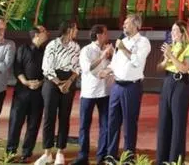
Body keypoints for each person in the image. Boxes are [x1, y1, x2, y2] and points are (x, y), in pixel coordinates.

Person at [106, 12, 152, 163]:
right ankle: (111, 155)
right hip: (116, 86)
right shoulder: (122, 41)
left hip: (131, 87)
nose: (124, 25)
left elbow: (137, 62)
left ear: (136, 25)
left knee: (129, 123)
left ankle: (128, 157)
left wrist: (124, 48)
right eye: (124, 23)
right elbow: (115, 63)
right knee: (112, 122)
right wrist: (106, 70)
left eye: (127, 23)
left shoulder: (143, 42)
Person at [36, 20, 81, 165]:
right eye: (75, 29)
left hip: (68, 82)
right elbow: (47, 67)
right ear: (69, 29)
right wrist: (58, 83)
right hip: (51, 81)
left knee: (64, 117)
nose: (77, 31)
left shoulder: (75, 47)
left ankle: (60, 151)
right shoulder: (52, 45)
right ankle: (47, 153)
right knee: (49, 117)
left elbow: (77, 68)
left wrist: (68, 83)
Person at [155, 20, 189, 165]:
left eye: (175, 31)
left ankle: (175, 159)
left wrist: (171, 56)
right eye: (171, 30)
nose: (172, 33)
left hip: (181, 84)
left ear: (182, 32)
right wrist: (166, 59)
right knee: (164, 121)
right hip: (167, 82)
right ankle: (162, 159)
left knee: (178, 123)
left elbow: (184, 68)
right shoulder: (171, 47)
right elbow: (159, 68)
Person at [7, 25, 48, 161]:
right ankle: (11, 152)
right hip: (22, 92)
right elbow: (17, 68)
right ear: (36, 35)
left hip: (39, 93)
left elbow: (48, 71)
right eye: (44, 31)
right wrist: (26, 82)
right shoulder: (23, 49)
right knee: (15, 122)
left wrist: (40, 82)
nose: (46, 33)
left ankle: (26, 153)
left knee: (33, 124)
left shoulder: (46, 51)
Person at [74, 24, 114, 165]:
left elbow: (114, 67)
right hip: (89, 93)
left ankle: (101, 156)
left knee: (105, 125)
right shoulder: (86, 50)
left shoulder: (109, 50)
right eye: (105, 33)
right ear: (98, 35)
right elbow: (88, 68)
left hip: (105, 92)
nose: (107, 36)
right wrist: (103, 56)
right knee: (84, 125)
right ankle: (82, 156)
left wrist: (111, 56)